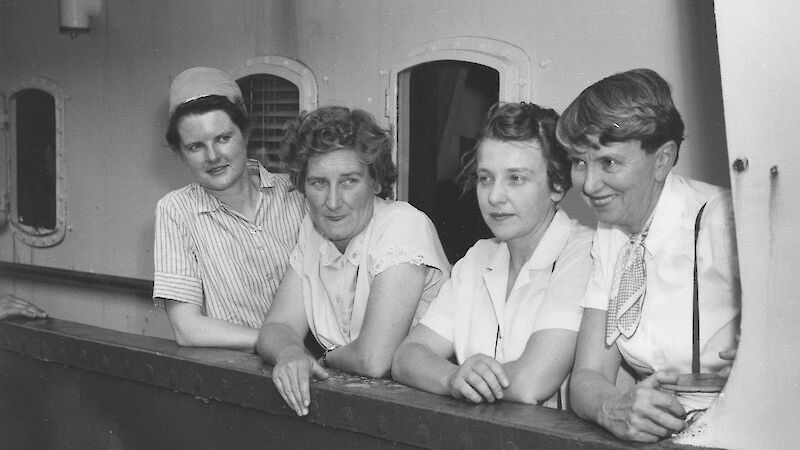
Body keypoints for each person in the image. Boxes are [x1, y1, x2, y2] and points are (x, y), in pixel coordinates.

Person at [558, 69, 740, 442]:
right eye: (580, 162)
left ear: (662, 159)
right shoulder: (610, 234)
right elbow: (587, 377)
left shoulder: (724, 221)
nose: (589, 185)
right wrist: (615, 409)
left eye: (608, 162)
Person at [392, 102, 593, 408]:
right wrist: (452, 378)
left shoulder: (583, 253)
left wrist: (466, 380)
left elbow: (531, 382)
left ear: (557, 184)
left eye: (516, 178)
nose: (494, 197)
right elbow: (408, 356)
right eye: (486, 178)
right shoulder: (478, 258)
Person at [257, 106, 450, 416]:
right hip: (365, 406)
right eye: (318, 183)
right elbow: (277, 326)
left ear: (375, 182)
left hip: (428, 410)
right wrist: (291, 352)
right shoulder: (313, 229)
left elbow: (374, 359)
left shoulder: (403, 225)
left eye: (348, 181)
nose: (332, 203)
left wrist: (324, 359)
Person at [152, 67, 306, 352]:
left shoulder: (296, 192)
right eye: (196, 146)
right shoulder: (177, 210)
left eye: (223, 138)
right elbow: (187, 329)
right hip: (241, 371)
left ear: (245, 134)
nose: (213, 157)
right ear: (180, 154)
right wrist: (282, 347)